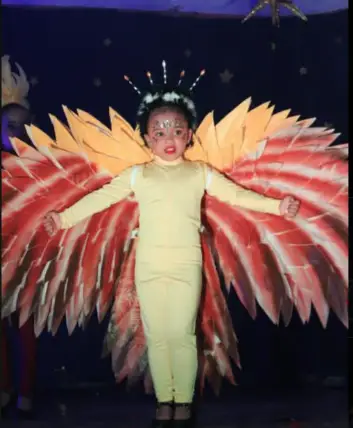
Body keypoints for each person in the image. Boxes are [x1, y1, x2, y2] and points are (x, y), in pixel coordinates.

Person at [1, 64, 348, 428]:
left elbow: (237, 195)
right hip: (148, 267)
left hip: (186, 266)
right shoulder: (137, 174)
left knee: (181, 335)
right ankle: (164, 401)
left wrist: (278, 206)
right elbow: (100, 198)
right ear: (147, 138)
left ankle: (182, 405)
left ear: (189, 136)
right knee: (156, 335)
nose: (169, 136)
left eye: (177, 130)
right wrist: (64, 218)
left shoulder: (200, 173)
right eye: (160, 130)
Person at [1, 55, 37, 420]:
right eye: (9, 126)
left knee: (25, 328)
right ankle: (4, 388)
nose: (16, 133)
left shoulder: (37, 166)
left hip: (24, 257)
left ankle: (26, 392)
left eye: (22, 128)